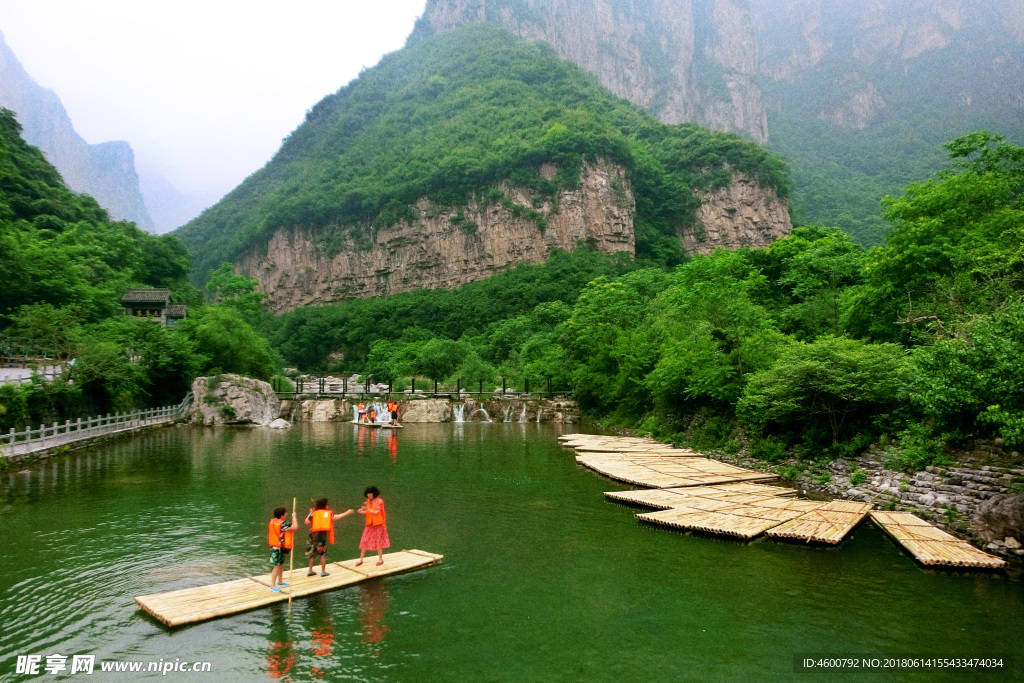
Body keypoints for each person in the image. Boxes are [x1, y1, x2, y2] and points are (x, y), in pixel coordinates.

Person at [304, 498, 354, 577]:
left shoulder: (314, 513)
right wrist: (347, 513)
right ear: (325, 505)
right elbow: (336, 517)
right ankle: (323, 571)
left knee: (312, 554)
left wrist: (310, 513)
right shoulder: (328, 513)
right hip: (321, 537)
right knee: (323, 554)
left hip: (312, 536)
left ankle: (310, 570)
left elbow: (306, 522)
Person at [356, 486, 390, 566]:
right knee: (364, 540)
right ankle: (361, 560)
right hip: (369, 524)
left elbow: (376, 512)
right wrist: (361, 512)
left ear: (374, 493)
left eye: (370, 493)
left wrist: (367, 510)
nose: (368, 495)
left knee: (378, 541)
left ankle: (380, 559)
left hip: (378, 524)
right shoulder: (367, 501)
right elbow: (367, 513)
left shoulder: (380, 501)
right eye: (367, 493)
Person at [268, 506, 298, 592]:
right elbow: (295, 527)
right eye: (285, 513)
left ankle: (280, 581)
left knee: (281, 565)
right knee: (276, 567)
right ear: (282, 515)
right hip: (277, 549)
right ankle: (272, 585)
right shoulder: (284, 524)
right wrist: (294, 518)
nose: (286, 514)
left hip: (279, 547)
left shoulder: (272, 521)